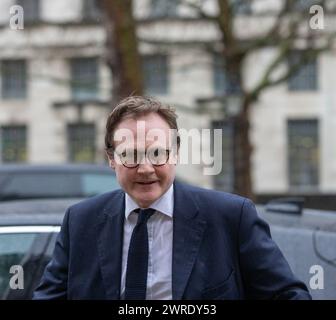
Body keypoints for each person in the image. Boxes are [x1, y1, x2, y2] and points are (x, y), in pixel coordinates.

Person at [33, 96, 311, 300]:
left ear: (175, 153)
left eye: (157, 154)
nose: (145, 168)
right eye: (130, 155)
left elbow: (287, 295)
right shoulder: (81, 220)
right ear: (111, 159)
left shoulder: (230, 217)